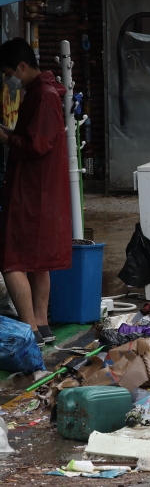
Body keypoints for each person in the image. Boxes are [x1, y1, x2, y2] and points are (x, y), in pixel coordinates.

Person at [0, 38, 71, 347]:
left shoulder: (42, 95)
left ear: (22, 67)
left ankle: (29, 328)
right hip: (43, 189)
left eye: (7, 73)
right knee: (38, 261)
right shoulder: (44, 92)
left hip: (31, 189)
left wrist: (6, 140)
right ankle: (42, 326)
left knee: (11, 260)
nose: (7, 80)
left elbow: (37, 144)